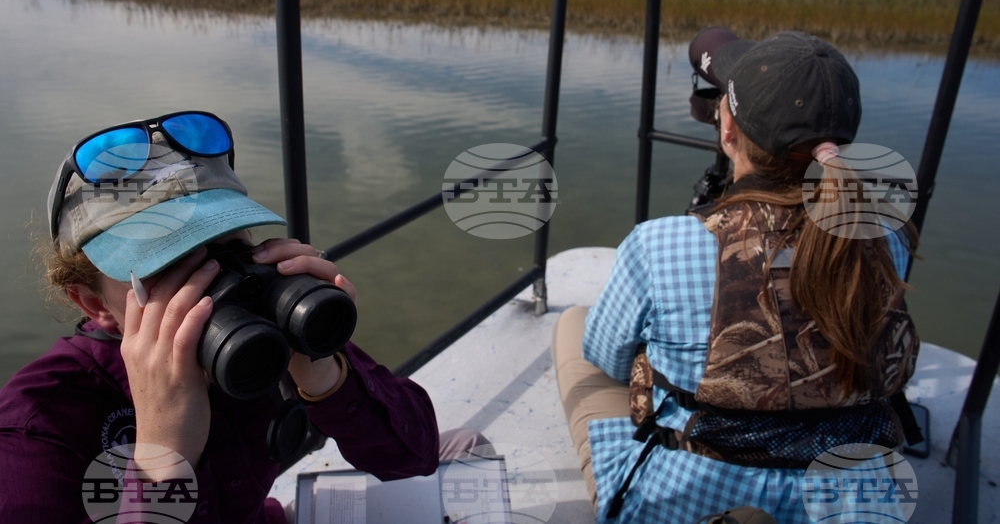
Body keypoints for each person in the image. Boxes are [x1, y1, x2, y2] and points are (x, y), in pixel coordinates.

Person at [0, 111, 483, 523]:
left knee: (467, 449)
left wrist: (322, 370)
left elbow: (412, 457)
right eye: (168, 267)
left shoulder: (261, 327)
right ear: (94, 304)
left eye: (229, 248)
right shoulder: (37, 428)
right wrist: (161, 455)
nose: (215, 283)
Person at [552, 31, 920, 523]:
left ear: (727, 129)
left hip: (692, 495)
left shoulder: (659, 245)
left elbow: (608, 357)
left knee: (575, 326)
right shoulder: (885, 240)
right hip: (855, 505)